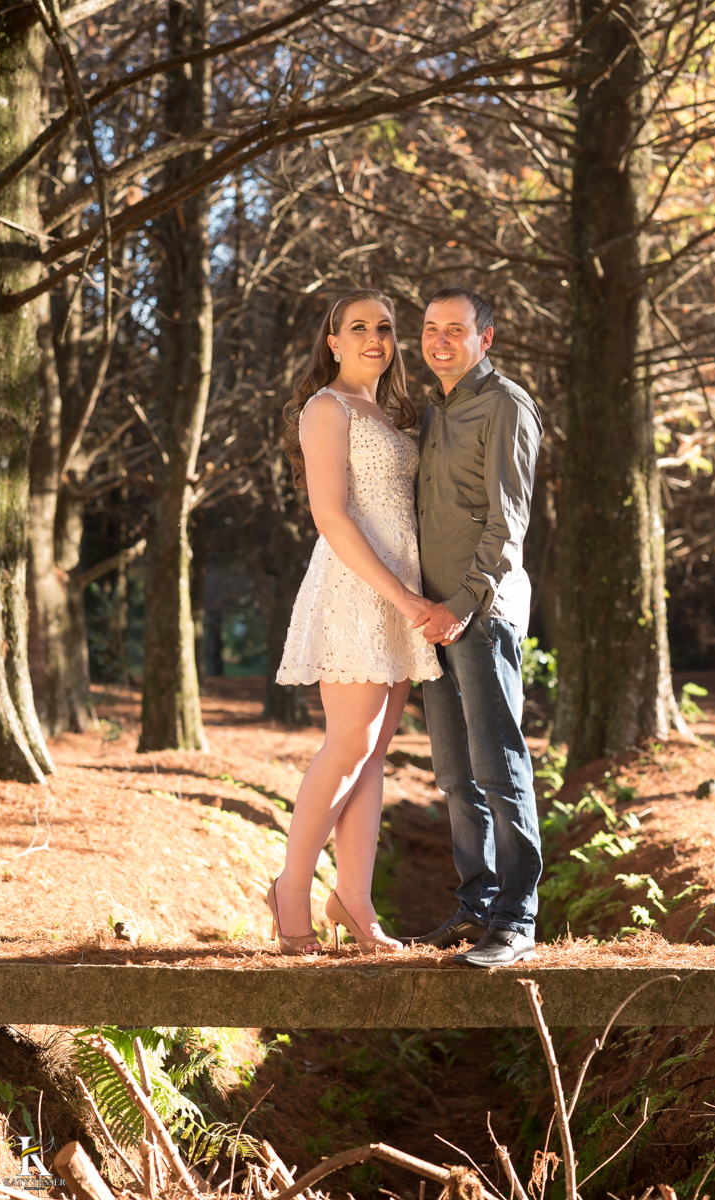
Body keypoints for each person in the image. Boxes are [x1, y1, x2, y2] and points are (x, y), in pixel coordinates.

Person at [269, 289, 440, 956]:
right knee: (347, 744)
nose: (375, 337)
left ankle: (355, 900)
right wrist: (401, 598)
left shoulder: (395, 414)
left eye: (385, 327)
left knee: (371, 755)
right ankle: (290, 890)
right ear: (333, 342)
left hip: (402, 593)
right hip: (357, 589)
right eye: (358, 327)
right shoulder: (326, 407)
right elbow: (330, 516)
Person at [408, 287, 543, 967]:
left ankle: (515, 919)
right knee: (456, 776)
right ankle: (475, 908)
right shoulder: (433, 411)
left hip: (479, 616)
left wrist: (461, 604)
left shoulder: (505, 405)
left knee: (498, 768)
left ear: (484, 339)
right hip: (431, 620)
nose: (438, 340)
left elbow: (506, 524)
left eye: (454, 330)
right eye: (430, 328)